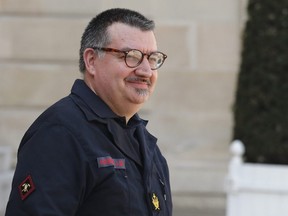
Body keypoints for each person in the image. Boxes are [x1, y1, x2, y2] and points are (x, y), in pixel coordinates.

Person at [5, 8, 172, 216]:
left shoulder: (148, 146)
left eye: (153, 59)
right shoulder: (59, 134)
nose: (146, 70)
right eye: (132, 56)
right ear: (91, 61)